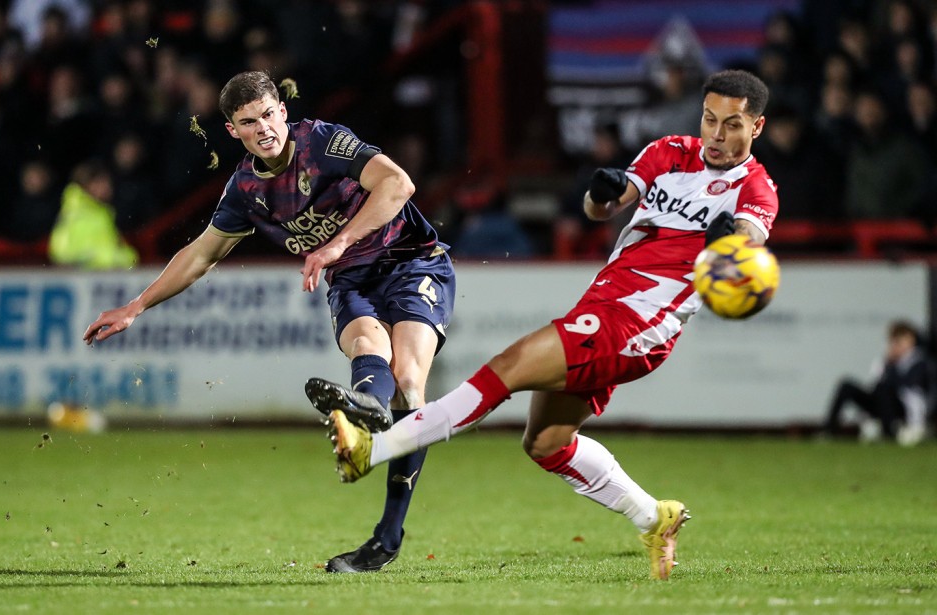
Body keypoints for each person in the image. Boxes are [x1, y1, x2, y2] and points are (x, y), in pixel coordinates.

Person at [313, 69, 779, 580]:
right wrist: (602, 194)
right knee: (546, 443)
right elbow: (601, 208)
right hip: (603, 306)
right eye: (710, 119)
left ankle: (371, 450)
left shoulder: (755, 188)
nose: (716, 133)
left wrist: (727, 245)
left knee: (506, 368)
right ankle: (654, 516)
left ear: (755, 128)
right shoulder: (670, 151)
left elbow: (750, 244)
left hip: (636, 324)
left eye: (732, 124)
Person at [83, 70, 456, 573]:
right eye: (248, 122)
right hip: (349, 280)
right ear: (233, 131)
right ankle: (367, 409)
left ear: (282, 110)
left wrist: (337, 243)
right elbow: (199, 255)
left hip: (412, 262)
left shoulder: (322, 142)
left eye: (267, 115)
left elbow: (398, 183)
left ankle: (386, 535)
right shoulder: (244, 190)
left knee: (410, 386)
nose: (263, 128)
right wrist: (136, 305)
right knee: (366, 345)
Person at [823, 320, 933, 446]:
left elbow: (911, 392)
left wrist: (893, 366)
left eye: (902, 340)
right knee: (846, 386)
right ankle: (829, 430)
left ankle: (890, 431)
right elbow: (876, 384)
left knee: (885, 388)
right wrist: (888, 363)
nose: (898, 345)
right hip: (881, 403)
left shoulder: (920, 361)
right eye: (895, 341)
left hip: (904, 407)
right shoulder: (886, 361)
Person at [49, 159, 138, 269]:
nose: (108, 187)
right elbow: (62, 254)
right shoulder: (77, 212)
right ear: (90, 184)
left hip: (103, 277)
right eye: (103, 183)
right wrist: (121, 258)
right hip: (84, 279)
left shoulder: (102, 212)